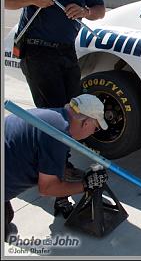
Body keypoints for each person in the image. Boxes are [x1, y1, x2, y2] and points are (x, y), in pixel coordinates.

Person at [4, 0, 106, 216]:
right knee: (56, 124)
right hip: (37, 51)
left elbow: (99, 10)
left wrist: (84, 11)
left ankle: (61, 170)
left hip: (66, 52)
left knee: (78, 113)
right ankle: (58, 189)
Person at [4, 94, 109, 239]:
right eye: (96, 128)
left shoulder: (53, 117)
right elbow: (47, 189)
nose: (93, 133)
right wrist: (86, 185)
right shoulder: (58, 136)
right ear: (86, 123)